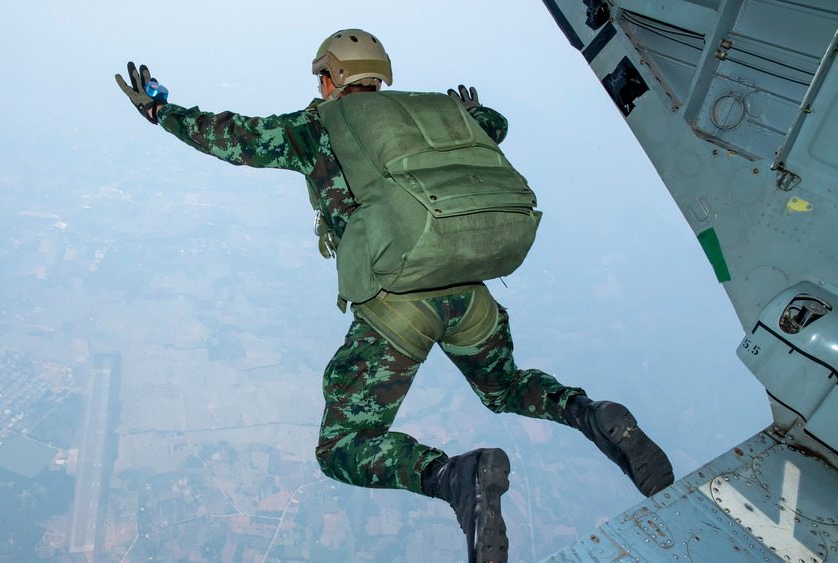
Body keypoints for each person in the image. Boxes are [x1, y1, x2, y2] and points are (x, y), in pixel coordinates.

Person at [116, 29, 674, 563]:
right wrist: (467, 115)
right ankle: (591, 414)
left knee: (341, 448)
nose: (320, 90)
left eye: (322, 79)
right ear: (378, 79)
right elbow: (495, 125)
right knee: (506, 387)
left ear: (332, 79)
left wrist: (160, 111)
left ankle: (455, 478)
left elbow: (232, 136)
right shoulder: (430, 115)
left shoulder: (319, 127)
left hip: (399, 303)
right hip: (469, 294)